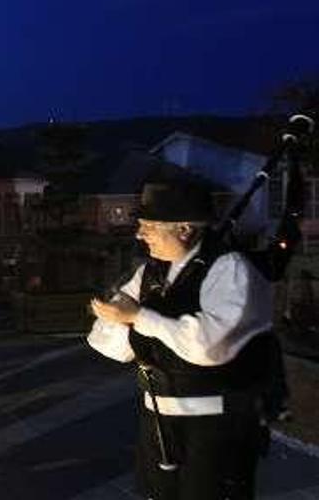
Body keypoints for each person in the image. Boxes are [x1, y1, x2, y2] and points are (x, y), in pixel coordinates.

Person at [88, 182, 274, 500]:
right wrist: (122, 319)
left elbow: (209, 345)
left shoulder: (229, 269)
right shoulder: (150, 274)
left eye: (148, 226)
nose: (139, 234)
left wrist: (139, 318)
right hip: (158, 420)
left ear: (185, 229)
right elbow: (106, 343)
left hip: (213, 425)